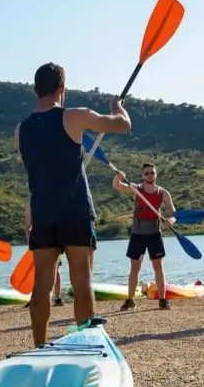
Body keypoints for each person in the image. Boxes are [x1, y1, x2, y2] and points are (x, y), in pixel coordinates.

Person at [15, 62, 131, 347]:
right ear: (62, 89)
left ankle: (40, 347)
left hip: (43, 214)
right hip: (75, 211)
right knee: (82, 282)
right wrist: (118, 106)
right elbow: (123, 125)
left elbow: (31, 166)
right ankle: (85, 345)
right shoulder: (74, 116)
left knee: (42, 284)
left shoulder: (21, 130)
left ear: (34, 90)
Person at [112, 162, 176, 311]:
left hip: (154, 234)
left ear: (156, 174)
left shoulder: (163, 193)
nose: (149, 175)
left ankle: (163, 299)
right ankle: (130, 300)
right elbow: (118, 186)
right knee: (135, 268)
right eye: (146, 173)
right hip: (138, 234)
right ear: (142, 175)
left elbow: (172, 213)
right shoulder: (136, 189)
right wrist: (118, 177)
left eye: (152, 173)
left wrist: (171, 220)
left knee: (158, 267)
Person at [23, 202, 64, 308]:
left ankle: (57, 297)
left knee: (56, 268)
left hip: (54, 238)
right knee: (37, 270)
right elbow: (27, 226)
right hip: (38, 240)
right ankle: (36, 298)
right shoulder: (31, 204)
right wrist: (29, 243)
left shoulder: (54, 199)